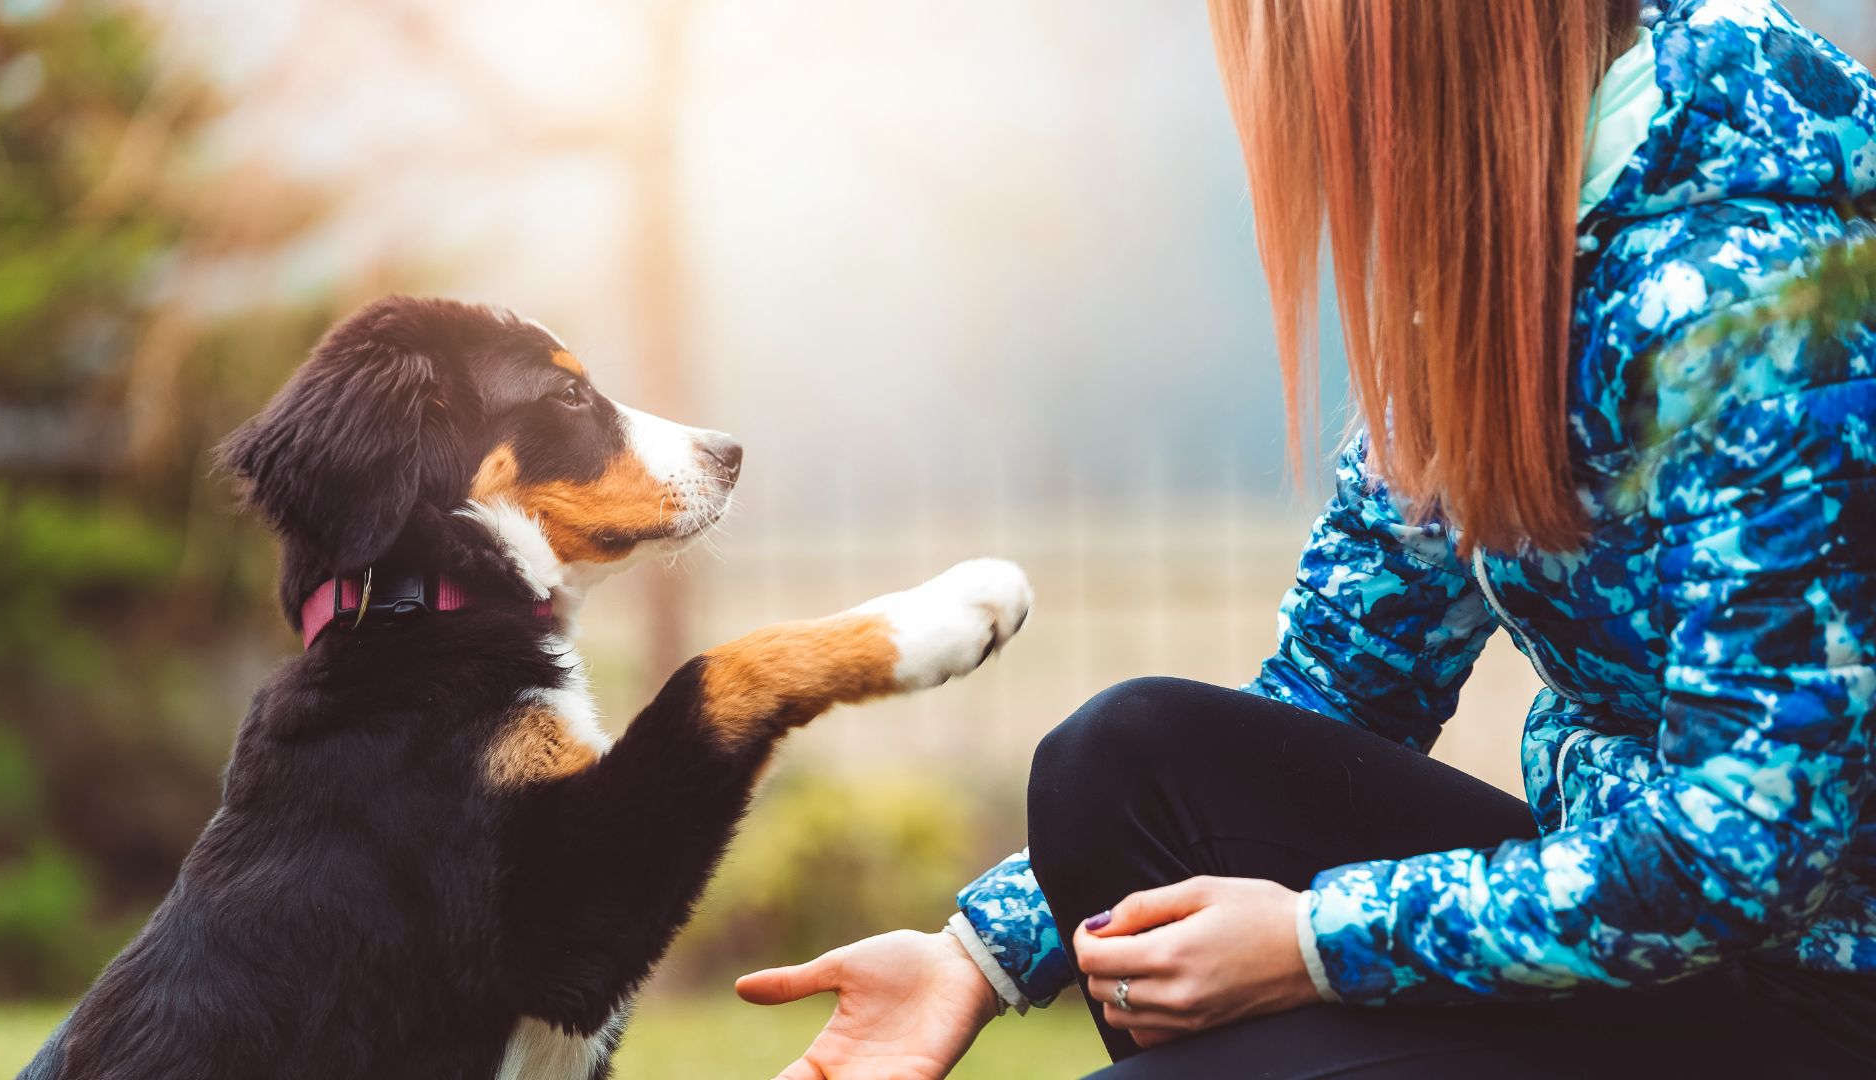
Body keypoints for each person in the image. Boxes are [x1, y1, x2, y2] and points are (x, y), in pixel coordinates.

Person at [736, 1, 1876, 1075]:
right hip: (1645, 955)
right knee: (1122, 763)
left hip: (1818, 1001)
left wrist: (1314, 942)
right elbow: (1340, 685)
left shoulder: (1754, 292)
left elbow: (1746, 853)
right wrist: (972, 961)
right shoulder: (1522, 246)